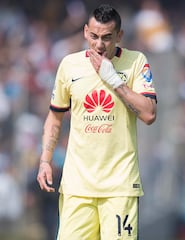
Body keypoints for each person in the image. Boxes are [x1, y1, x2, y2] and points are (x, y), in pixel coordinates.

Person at [36, 4, 157, 240]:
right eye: (94, 36)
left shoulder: (136, 62)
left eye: (107, 37)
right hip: (77, 186)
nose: (99, 44)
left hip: (119, 186)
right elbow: (55, 116)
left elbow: (149, 114)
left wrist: (114, 80)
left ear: (119, 36)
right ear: (85, 32)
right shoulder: (70, 65)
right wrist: (45, 160)